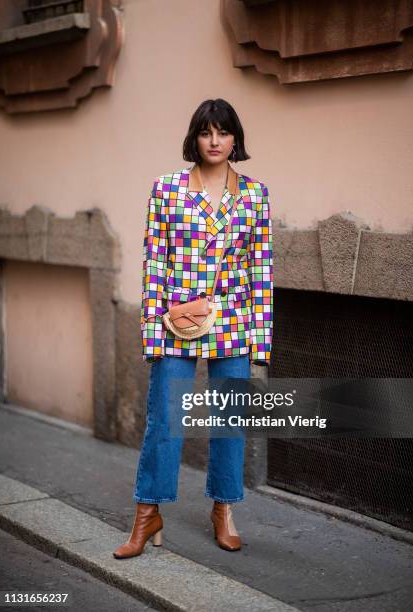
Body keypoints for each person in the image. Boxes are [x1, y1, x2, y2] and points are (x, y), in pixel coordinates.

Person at [113, 98, 273, 559]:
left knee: (228, 423)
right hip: (175, 320)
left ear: (235, 138)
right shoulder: (166, 189)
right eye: (207, 132)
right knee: (165, 418)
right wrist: (151, 332)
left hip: (233, 320)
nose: (216, 141)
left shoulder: (255, 194)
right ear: (195, 138)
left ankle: (224, 509)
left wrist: (260, 341)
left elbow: (261, 269)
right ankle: (147, 514)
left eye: (224, 132)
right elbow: (155, 263)